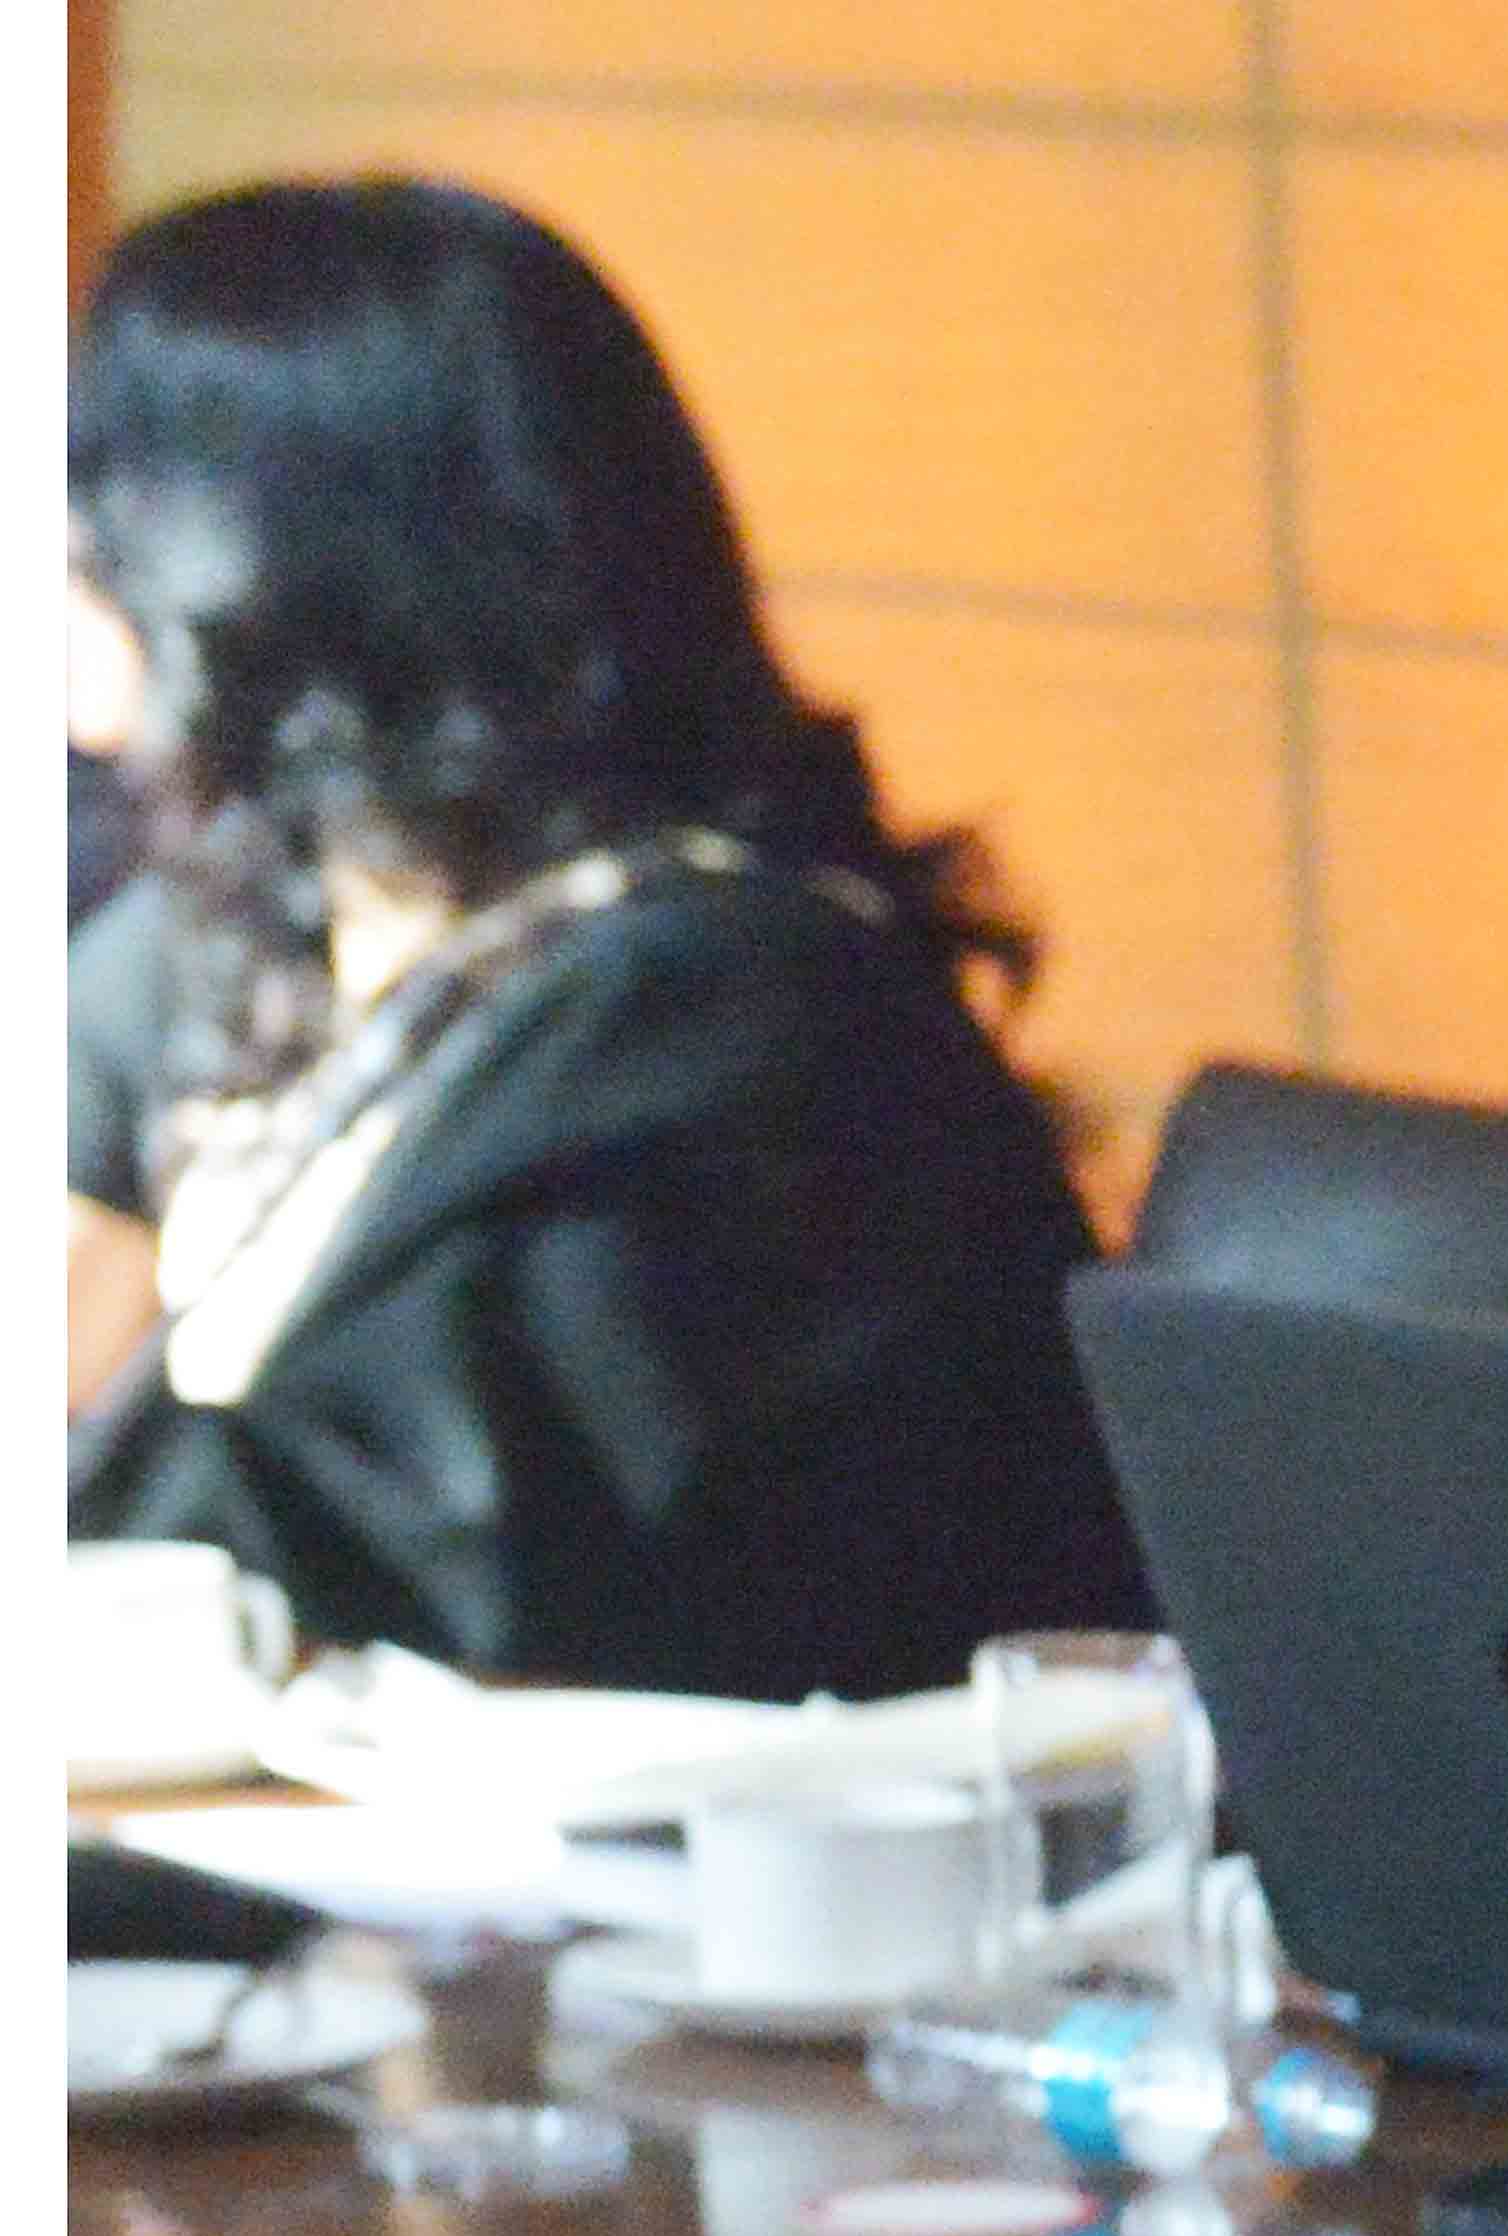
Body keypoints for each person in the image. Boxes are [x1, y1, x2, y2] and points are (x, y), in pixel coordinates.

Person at [64, 177, 1146, 1690]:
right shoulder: (301, 932)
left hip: (726, 1897)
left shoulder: (743, 1029)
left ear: (256, 571)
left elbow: (360, 1565)